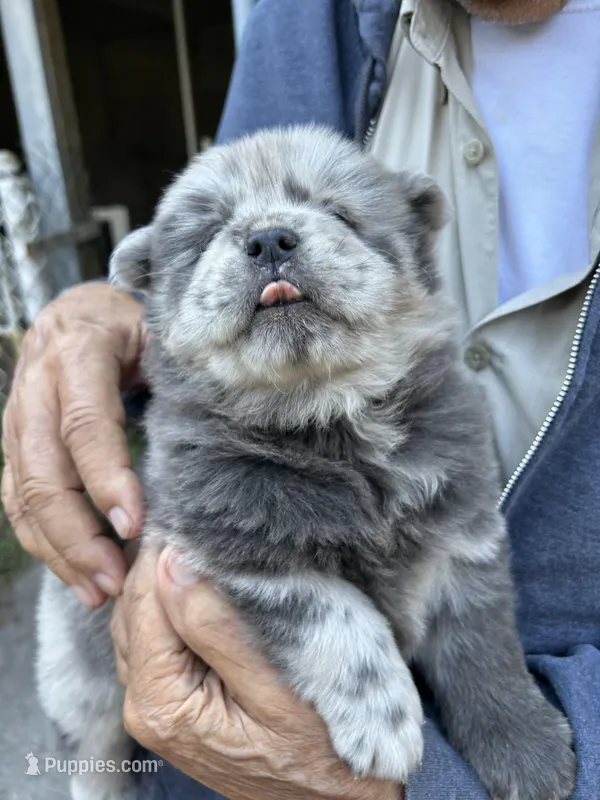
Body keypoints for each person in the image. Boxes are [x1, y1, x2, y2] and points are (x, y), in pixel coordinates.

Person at [3, 0, 600, 797]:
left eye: (338, 215)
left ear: (415, 241)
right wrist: (94, 314)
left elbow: (464, 568)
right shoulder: (311, 14)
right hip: (187, 752)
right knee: (93, 749)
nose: (271, 241)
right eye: (223, 235)